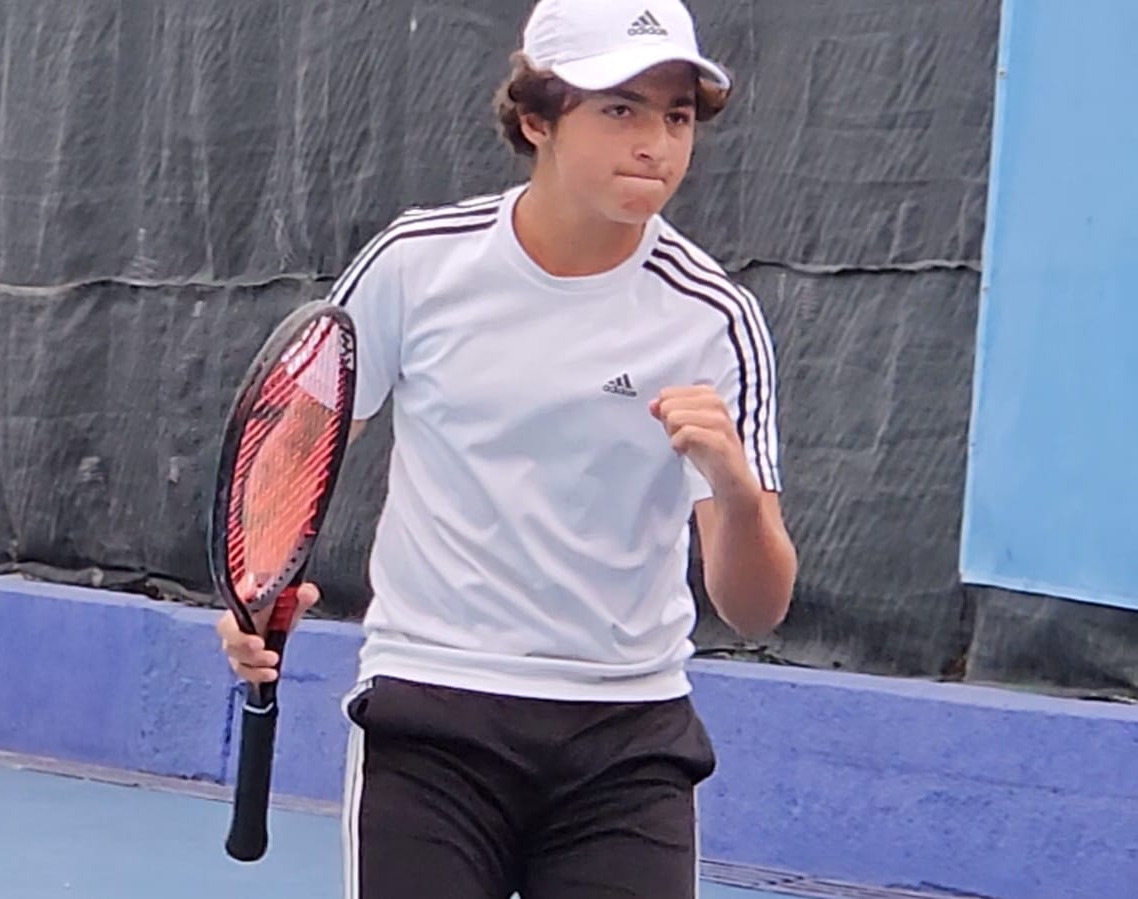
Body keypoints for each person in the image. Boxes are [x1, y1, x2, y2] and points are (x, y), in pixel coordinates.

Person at [216, 0, 797, 895]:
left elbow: (755, 608)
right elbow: (292, 450)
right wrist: (252, 595)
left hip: (627, 743)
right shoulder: (415, 263)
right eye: (619, 109)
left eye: (674, 116)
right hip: (431, 717)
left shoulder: (713, 316)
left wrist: (731, 479)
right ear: (536, 119)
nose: (655, 142)